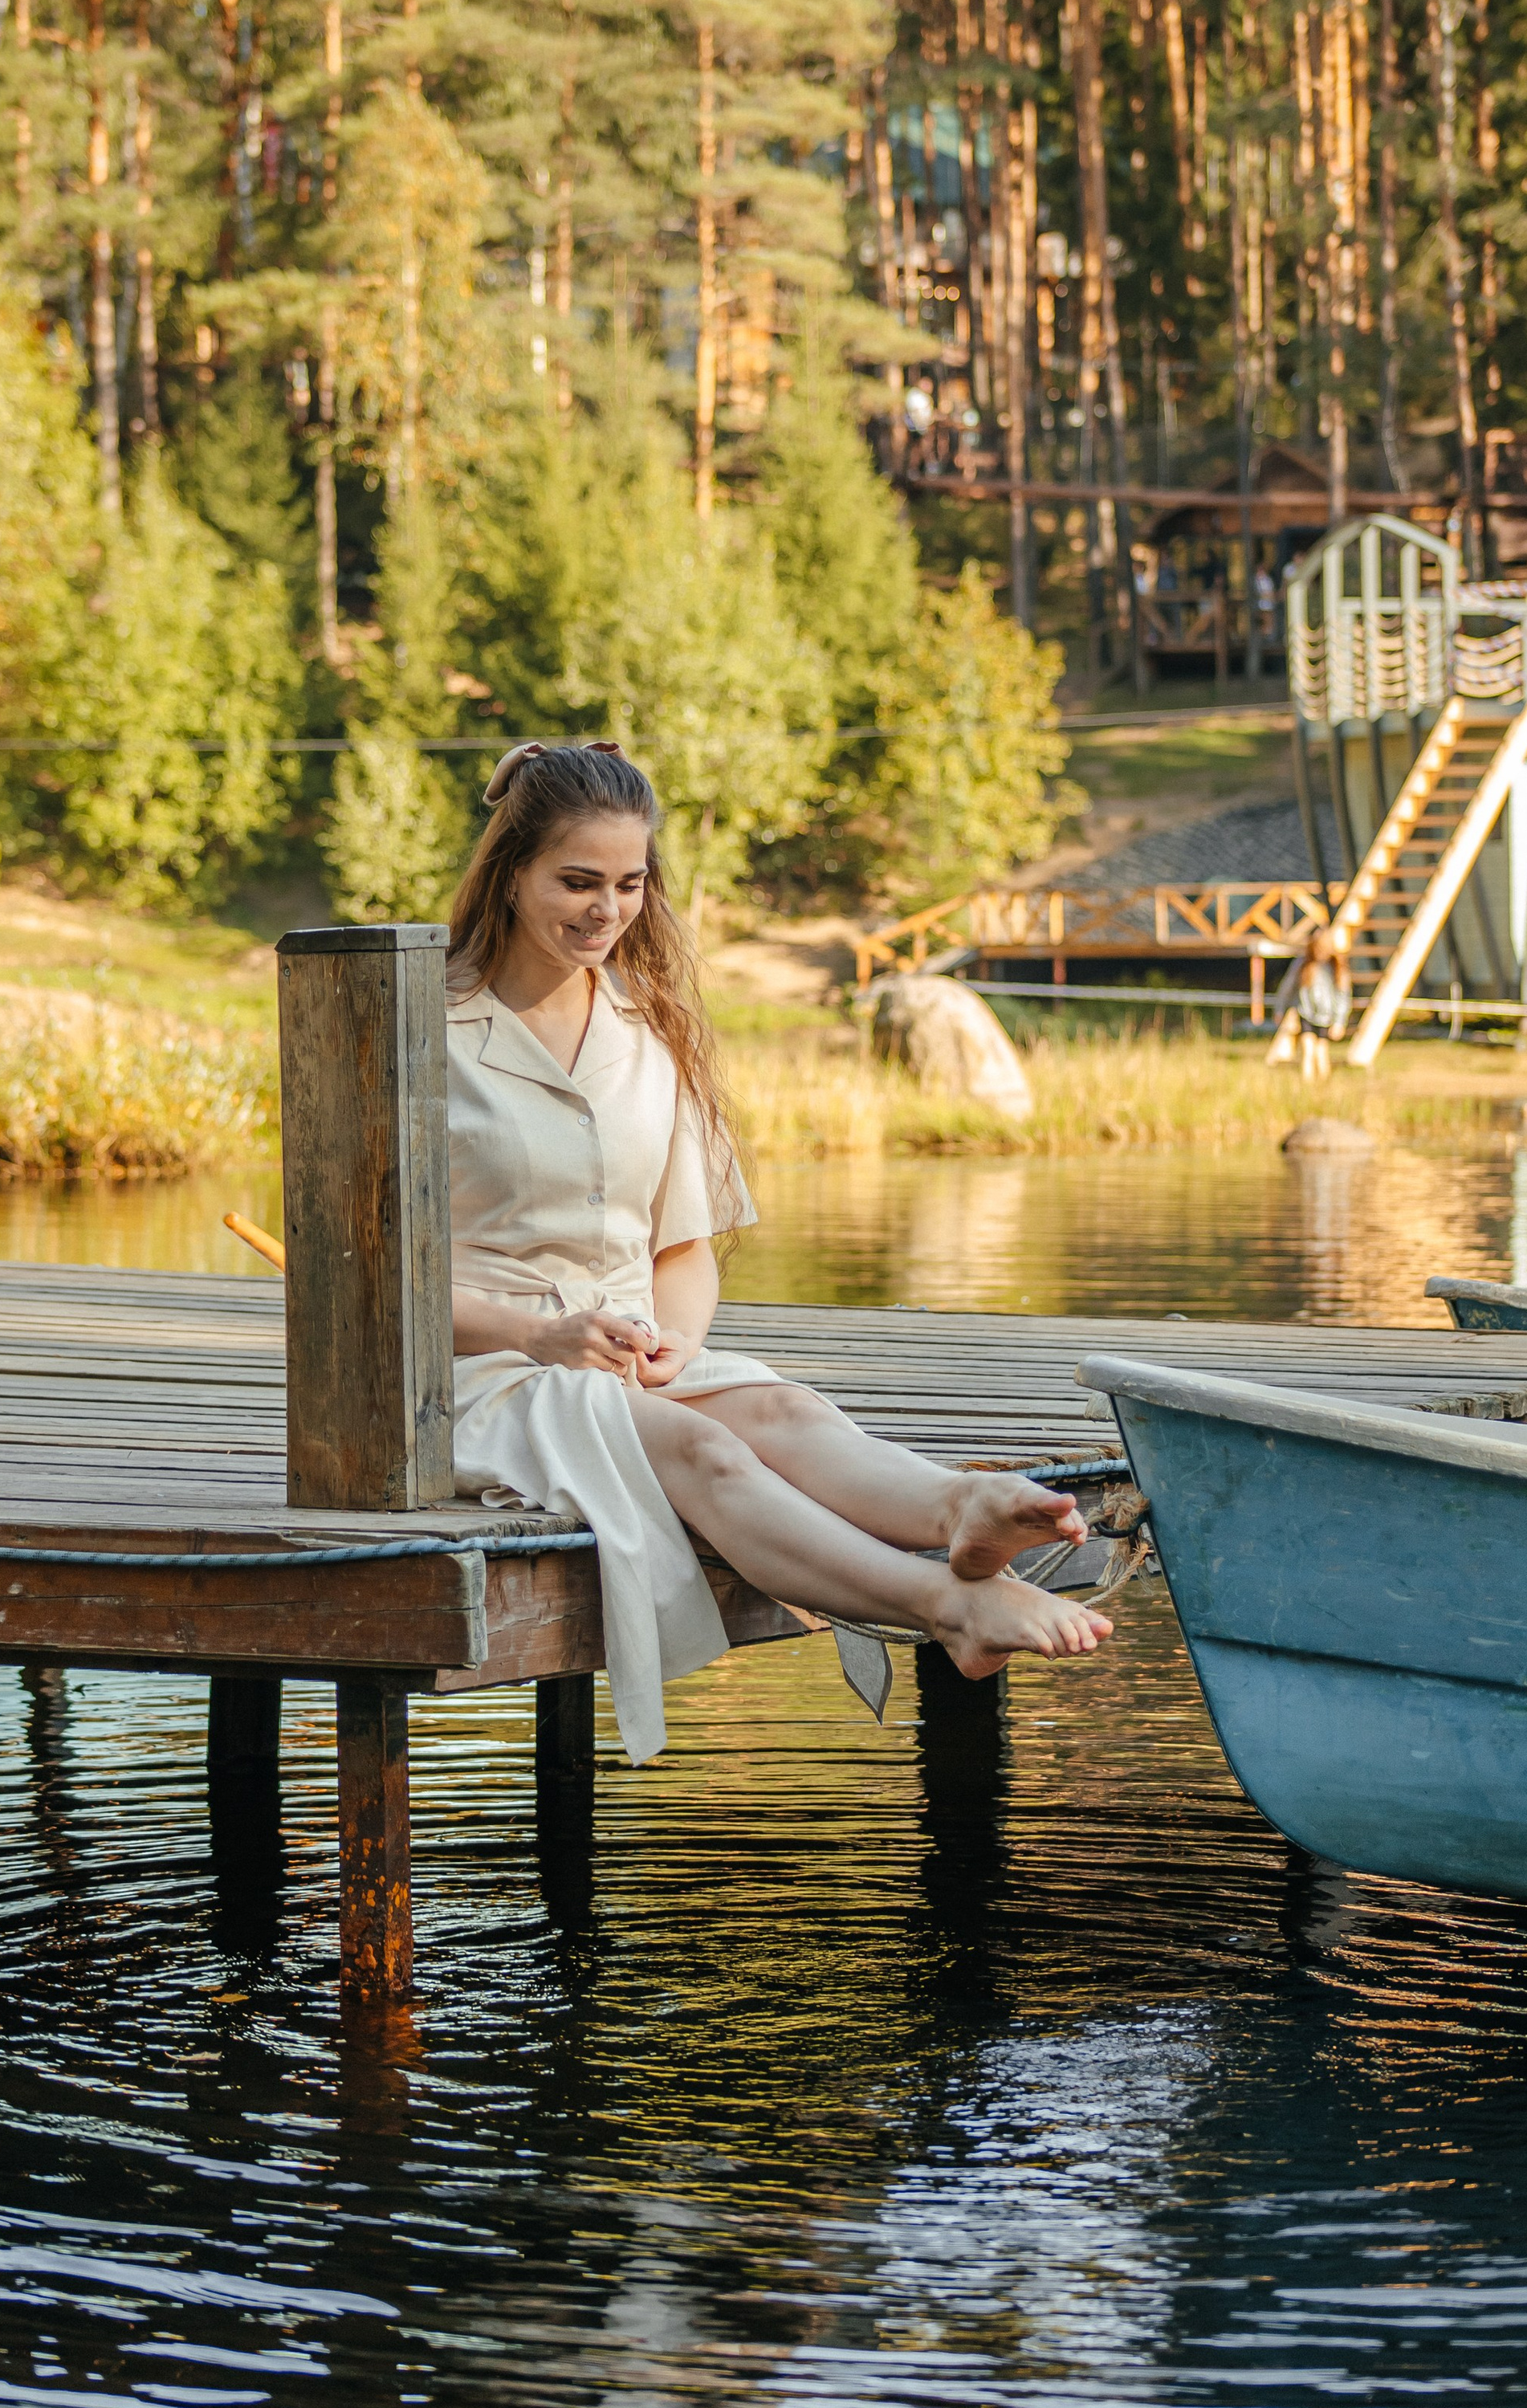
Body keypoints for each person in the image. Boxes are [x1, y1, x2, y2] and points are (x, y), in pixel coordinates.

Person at [446, 739, 1113, 1763]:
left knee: (783, 1408)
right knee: (710, 1450)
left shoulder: (650, 1026)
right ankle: (945, 1602)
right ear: (510, 874)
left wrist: (674, 1343)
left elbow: (684, 1247)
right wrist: (541, 1336)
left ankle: (960, 1504)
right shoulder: (428, 1030)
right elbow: (367, 1293)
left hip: (628, 1360)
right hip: (483, 1376)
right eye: (576, 882)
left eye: (629, 883)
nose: (605, 910)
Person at [1295, 925, 1350, 1082]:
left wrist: (1339, 1022)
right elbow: (1289, 988)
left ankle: (1324, 1084)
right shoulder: (1304, 966)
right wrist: (1280, 1008)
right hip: (1307, 1013)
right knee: (1308, 1050)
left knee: (1321, 1052)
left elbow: (1343, 997)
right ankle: (1307, 1085)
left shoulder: (1337, 969)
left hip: (1326, 1017)